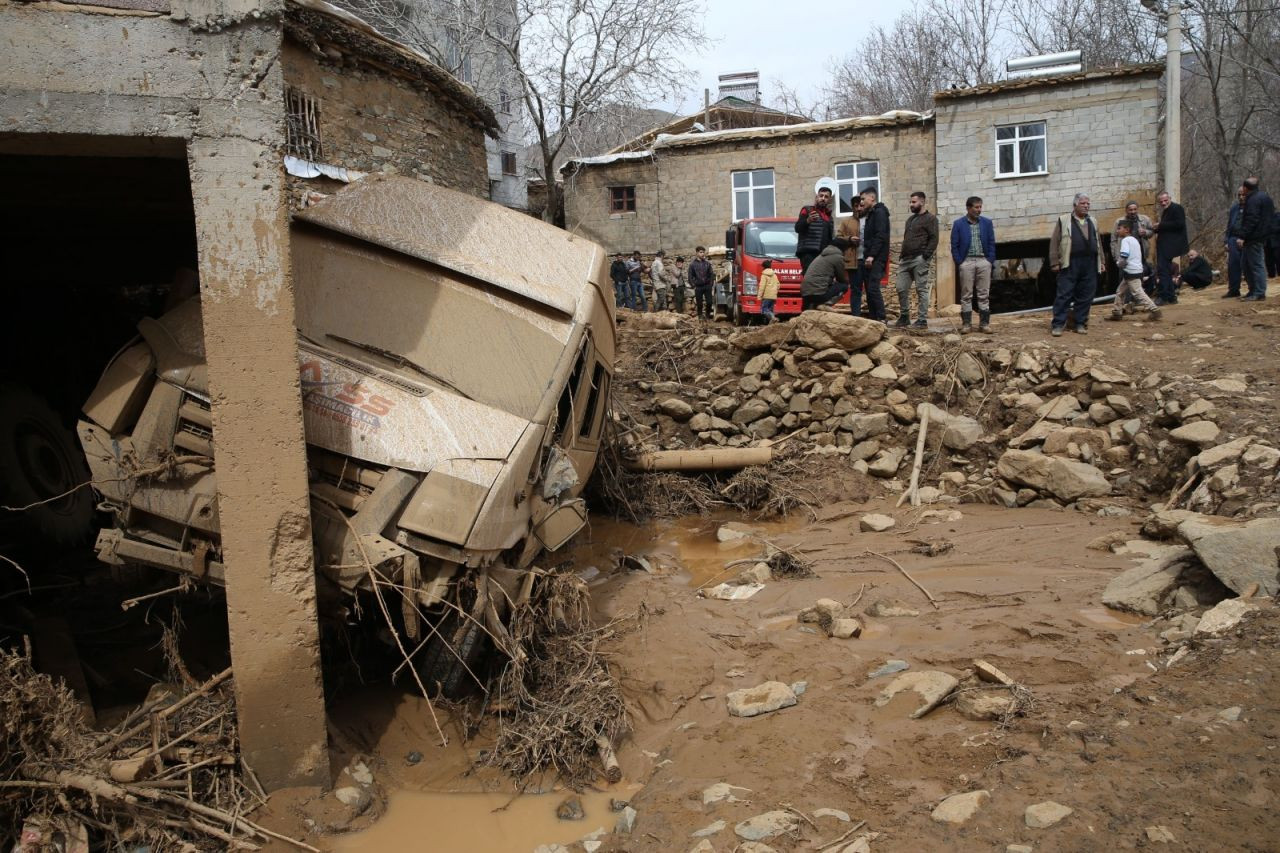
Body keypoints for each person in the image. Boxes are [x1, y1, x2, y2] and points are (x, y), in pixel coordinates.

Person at [1048, 193, 1105, 336]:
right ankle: (1058, 324)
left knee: (1086, 294)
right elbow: (1054, 241)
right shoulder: (1064, 220)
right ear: (1075, 205)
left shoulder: (1093, 221)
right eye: (1083, 203)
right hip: (1070, 262)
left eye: (1088, 204)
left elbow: (1098, 242)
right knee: (1064, 294)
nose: (1086, 206)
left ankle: (1080, 323)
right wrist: (1054, 261)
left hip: (1089, 262)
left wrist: (1102, 261)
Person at [950, 195, 997, 334]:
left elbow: (991, 242)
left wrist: (990, 260)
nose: (979, 210)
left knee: (984, 293)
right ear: (968, 208)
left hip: (983, 261)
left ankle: (984, 324)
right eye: (976, 207)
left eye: (980, 207)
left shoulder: (987, 223)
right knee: (966, 294)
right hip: (967, 261)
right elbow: (954, 244)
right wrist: (960, 261)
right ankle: (966, 324)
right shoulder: (958, 224)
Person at [895, 191, 939, 329]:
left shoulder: (930, 219)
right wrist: (902, 255)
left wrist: (926, 256)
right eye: (910, 202)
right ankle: (904, 317)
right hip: (905, 259)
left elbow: (934, 238)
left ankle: (922, 320)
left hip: (920, 258)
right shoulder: (910, 220)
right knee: (901, 288)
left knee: (921, 289)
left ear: (922, 202)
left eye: (914, 202)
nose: (911, 204)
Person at [1106, 220, 1161, 322]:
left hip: (1132, 271)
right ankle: (1117, 312)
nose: (1117, 231)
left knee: (1138, 292)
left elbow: (1124, 256)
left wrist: (1119, 264)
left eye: (1119, 228)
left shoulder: (1126, 241)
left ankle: (1154, 310)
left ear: (1126, 230)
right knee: (1120, 291)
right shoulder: (1134, 240)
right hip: (1134, 270)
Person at [1231, 176, 1275, 301]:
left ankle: (1259, 292)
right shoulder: (1265, 197)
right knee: (1246, 264)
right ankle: (1253, 290)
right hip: (1259, 235)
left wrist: (1242, 235)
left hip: (1254, 237)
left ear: (1245, 188)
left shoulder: (1253, 200)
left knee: (1256, 265)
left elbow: (1252, 220)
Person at [823, 195, 863, 310]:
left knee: (871, 290)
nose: (858, 208)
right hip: (852, 261)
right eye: (855, 206)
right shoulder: (846, 222)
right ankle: (856, 315)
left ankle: (874, 318)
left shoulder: (869, 220)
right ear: (852, 207)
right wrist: (849, 239)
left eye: (860, 205)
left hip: (867, 260)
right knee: (855, 289)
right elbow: (838, 238)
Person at [857, 188, 890, 321]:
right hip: (869, 257)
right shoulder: (872, 213)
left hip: (876, 258)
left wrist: (872, 255)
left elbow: (880, 236)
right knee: (869, 290)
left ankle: (882, 318)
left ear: (872, 198)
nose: (862, 202)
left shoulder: (880, 212)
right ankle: (873, 319)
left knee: (873, 289)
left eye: (863, 199)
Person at [1152, 190, 1188, 304]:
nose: (1163, 203)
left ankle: (1163, 296)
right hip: (1165, 245)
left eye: (1165, 200)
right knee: (1165, 271)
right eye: (1161, 201)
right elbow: (1167, 227)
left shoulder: (1177, 208)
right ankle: (1171, 296)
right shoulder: (1166, 211)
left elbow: (1179, 224)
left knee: (1163, 270)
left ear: (1170, 199)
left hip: (1170, 246)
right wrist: (1155, 228)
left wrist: (1160, 225)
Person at [794, 184, 835, 272]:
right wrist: (808, 221)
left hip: (824, 255)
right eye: (821, 196)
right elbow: (797, 228)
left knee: (821, 281)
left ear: (829, 200)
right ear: (817, 197)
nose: (823, 198)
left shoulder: (829, 217)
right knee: (810, 281)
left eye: (826, 197)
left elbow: (830, 238)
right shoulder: (807, 210)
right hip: (809, 254)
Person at [801, 238, 850, 311]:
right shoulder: (838, 257)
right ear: (843, 248)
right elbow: (841, 278)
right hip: (819, 294)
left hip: (805, 294)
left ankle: (816, 306)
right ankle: (826, 304)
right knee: (844, 285)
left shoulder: (821, 255)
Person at [1224, 190, 1245, 298]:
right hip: (1233, 238)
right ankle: (1234, 290)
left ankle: (1254, 290)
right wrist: (1226, 241)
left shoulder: (1252, 207)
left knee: (1248, 265)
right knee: (1233, 265)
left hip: (1247, 239)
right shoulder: (1234, 208)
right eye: (1239, 195)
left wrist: (1244, 238)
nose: (1241, 197)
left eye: (1243, 195)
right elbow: (1229, 225)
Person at [688, 246, 715, 319]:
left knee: (709, 302)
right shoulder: (692, 265)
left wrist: (711, 284)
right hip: (698, 287)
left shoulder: (707, 264)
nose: (702, 254)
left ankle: (707, 315)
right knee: (699, 304)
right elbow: (690, 277)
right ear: (696, 253)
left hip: (707, 286)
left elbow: (711, 274)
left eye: (703, 252)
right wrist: (694, 286)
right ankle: (700, 316)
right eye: (701, 252)